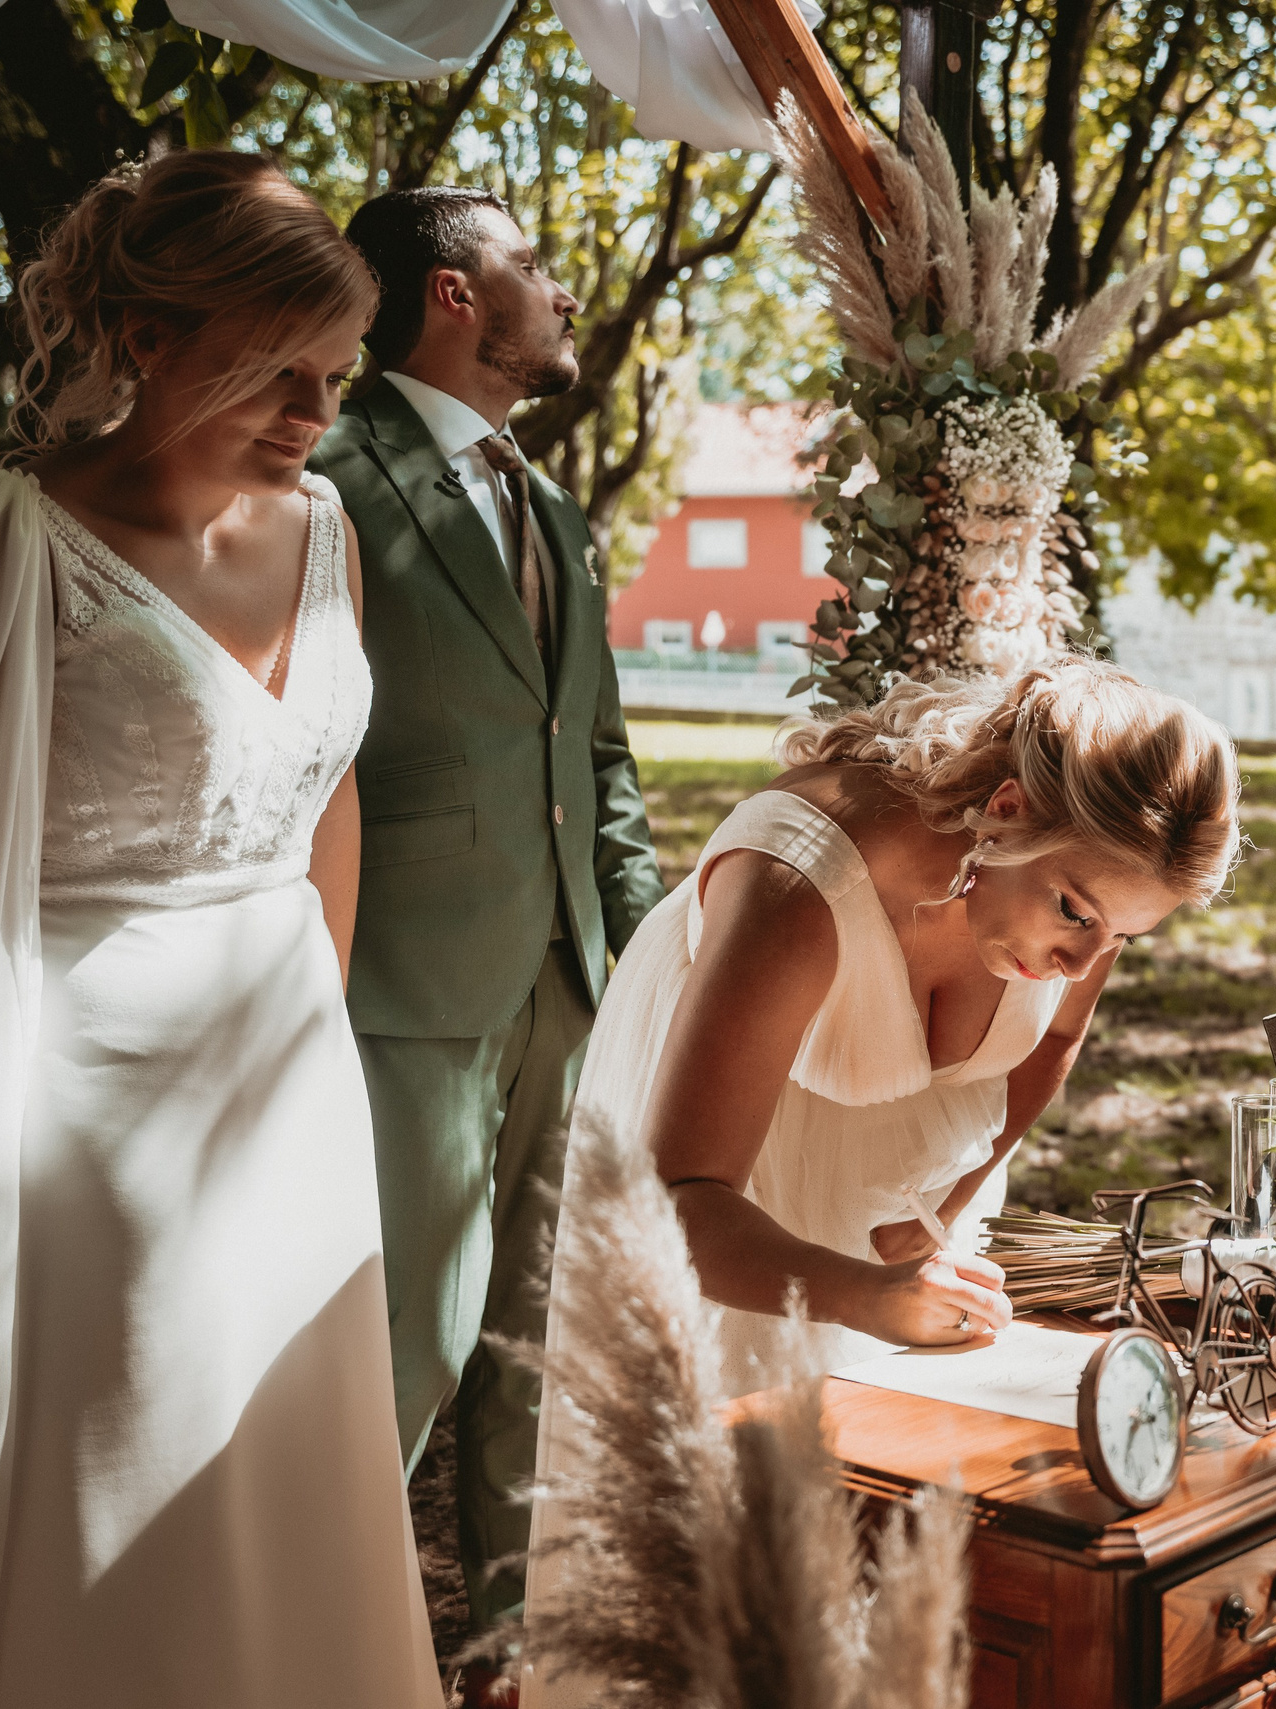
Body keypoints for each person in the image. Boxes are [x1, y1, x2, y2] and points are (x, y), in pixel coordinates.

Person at [0, 151, 434, 1705]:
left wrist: (314, 1039)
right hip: (84, 1099)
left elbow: (329, 799)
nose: (315, 415)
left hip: (282, 1073)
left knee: (286, 1455)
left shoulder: (329, 527)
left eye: (338, 377)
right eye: (279, 370)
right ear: (146, 341)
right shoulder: (4, 537)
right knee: (129, 1457)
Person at [519, 659, 1239, 1701]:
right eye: (1076, 914)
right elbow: (677, 1197)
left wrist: (944, 1212)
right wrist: (858, 1290)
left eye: (1119, 937)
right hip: (730, 1198)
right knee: (719, 1567)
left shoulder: (1089, 884)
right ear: (1005, 810)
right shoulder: (797, 879)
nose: (1082, 959)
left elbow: (1049, 1050)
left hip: (898, 1205)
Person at [308, 186, 667, 1681]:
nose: (564, 291)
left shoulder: (557, 507)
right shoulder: (323, 479)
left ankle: (518, 1665)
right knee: (391, 1360)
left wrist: (648, 974)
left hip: (571, 994)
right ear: (453, 293)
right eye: (532, 262)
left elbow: (599, 762)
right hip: (398, 992)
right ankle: (320, 1652)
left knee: (534, 1362)